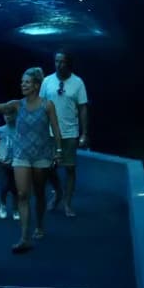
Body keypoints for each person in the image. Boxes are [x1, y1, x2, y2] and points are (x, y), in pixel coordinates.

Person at [0, 67, 62, 253]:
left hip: (41, 156)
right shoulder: (17, 105)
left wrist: (59, 150)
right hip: (21, 156)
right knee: (22, 194)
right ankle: (24, 237)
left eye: (27, 82)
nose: (23, 84)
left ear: (36, 85)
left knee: (39, 193)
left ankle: (39, 225)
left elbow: (55, 128)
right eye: (22, 81)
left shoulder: (48, 105)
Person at [40, 50, 89, 216]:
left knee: (69, 169)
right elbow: (40, 105)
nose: (58, 65)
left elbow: (83, 108)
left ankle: (67, 203)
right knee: (48, 168)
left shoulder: (78, 83)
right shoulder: (47, 81)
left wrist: (84, 133)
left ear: (69, 63)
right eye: (56, 61)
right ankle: (58, 193)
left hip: (69, 132)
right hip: (49, 133)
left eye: (62, 62)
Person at [0, 112, 20, 221]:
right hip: (5, 163)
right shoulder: (0, 130)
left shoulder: (20, 129)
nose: (8, 116)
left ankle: (15, 208)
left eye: (10, 114)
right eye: (5, 114)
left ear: (15, 115)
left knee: (16, 188)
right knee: (4, 186)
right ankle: (2, 206)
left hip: (17, 163)